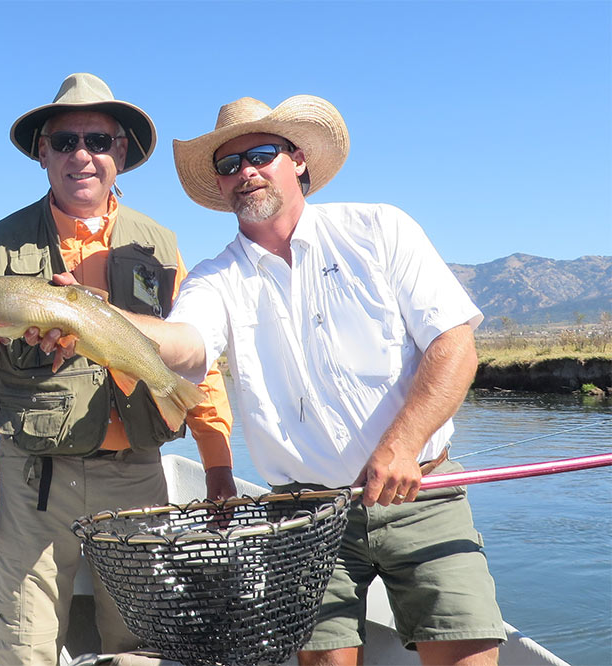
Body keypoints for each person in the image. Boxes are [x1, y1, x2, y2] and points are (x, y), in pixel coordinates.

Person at [106, 95, 507, 666]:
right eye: (228, 164)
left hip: (423, 492)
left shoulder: (380, 229)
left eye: (261, 154)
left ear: (296, 159)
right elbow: (188, 344)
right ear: (219, 186)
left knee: (468, 653)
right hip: (304, 516)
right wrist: (92, 316)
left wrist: (402, 445)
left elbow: (454, 344)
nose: (245, 172)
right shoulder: (214, 278)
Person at [0, 73, 236, 665]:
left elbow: (198, 359)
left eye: (97, 140)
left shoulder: (161, 245)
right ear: (42, 152)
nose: (81, 155)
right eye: (64, 141)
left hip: (137, 474)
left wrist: (217, 458)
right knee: (25, 644)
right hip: (33, 483)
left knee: (142, 641)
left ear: (120, 151)